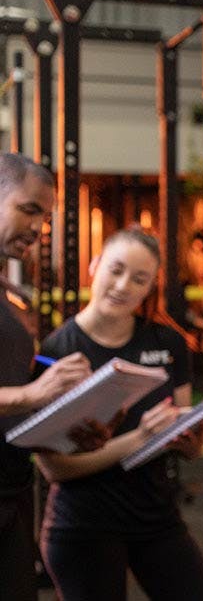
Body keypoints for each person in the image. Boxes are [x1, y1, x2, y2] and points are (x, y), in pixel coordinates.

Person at [34, 228, 203, 601]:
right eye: (115, 270)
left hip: (157, 517)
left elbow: (189, 446)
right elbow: (54, 468)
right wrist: (140, 439)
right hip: (84, 525)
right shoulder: (58, 350)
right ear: (94, 266)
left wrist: (189, 441)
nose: (122, 285)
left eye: (139, 279)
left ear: (150, 287)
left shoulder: (167, 343)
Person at [0, 153, 98, 601]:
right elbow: (20, 396)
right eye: (29, 209)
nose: (39, 228)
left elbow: (16, 417)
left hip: (12, 500)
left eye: (46, 217)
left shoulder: (11, 300)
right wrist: (31, 394)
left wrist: (64, 429)